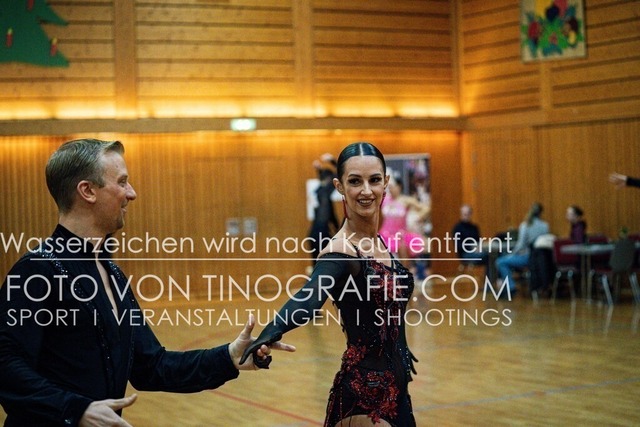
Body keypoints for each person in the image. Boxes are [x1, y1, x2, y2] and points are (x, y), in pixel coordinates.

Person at [0, 139, 294, 427]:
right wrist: (75, 410)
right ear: (87, 191)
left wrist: (229, 356)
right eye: (122, 182)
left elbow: (151, 366)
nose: (132, 193)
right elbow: (5, 365)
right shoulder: (35, 271)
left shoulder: (113, 275)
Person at [241, 142, 417, 427]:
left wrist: (399, 348)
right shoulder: (340, 250)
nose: (366, 190)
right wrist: (269, 333)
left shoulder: (378, 243)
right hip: (364, 396)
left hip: (398, 393)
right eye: (355, 181)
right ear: (339, 186)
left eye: (374, 180)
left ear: (385, 182)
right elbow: (309, 297)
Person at [495, 202, 550, 296]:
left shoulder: (525, 225)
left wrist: (512, 254)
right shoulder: (545, 226)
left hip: (527, 257)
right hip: (539, 259)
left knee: (500, 261)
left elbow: (521, 245)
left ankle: (511, 287)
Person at [306, 154, 339, 266]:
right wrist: (332, 161)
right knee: (326, 264)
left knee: (318, 264)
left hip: (315, 234)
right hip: (321, 234)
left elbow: (332, 216)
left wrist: (319, 169)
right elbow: (337, 175)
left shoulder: (319, 192)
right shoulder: (324, 192)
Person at [451, 204, 488, 271]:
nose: (466, 216)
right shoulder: (457, 228)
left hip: (477, 251)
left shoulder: (474, 227)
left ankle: (489, 277)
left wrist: (479, 247)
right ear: (461, 214)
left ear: (470, 214)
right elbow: (458, 245)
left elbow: (479, 241)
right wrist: (471, 247)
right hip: (465, 254)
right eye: (464, 214)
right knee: (487, 256)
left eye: (467, 214)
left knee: (491, 255)